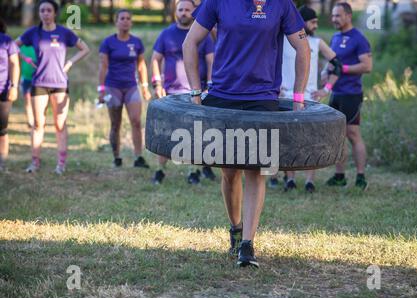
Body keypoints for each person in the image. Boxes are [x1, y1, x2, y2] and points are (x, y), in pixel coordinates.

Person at [183, 0, 310, 267]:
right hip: (222, 95)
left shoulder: (281, 4)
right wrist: (196, 91)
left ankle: (248, 244)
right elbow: (189, 43)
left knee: (256, 169)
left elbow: (303, 48)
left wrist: (298, 96)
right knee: (229, 172)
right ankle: (236, 227)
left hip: (262, 97)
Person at [271, 5, 341, 193]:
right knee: (285, 141)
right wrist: (272, 87)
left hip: (310, 99)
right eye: (313, 22)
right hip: (285, 98)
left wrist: (325, 89)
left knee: (311, 141)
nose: (316, 25)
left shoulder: (317, 43)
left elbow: (337, 65)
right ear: (301, 22)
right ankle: (289, 179)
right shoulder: (283, 40)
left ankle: (310, 181)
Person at [16, 0, 90, 175]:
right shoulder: (33, 33)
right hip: (39, 83)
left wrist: (70, 63)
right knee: (38, 124)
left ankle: (61, 164)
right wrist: (26, 60)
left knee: (59, 124)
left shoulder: (64, 32)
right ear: (39, 13)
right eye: (42, 10)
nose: (45, 13)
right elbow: (12, 45)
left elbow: (84, 49)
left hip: (60, 84)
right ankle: (35, 162)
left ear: (55, 13)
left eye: (49, 10)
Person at [150, 0, 215, 185]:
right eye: (181, 9)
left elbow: (211, 60)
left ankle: (193, 171)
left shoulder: (202, 35)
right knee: (164, 132)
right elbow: (155, 59)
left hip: (196, 93)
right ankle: (160, 170)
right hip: (170, 93)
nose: (184, 12)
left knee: (194, 134)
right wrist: (157, 84)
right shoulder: (166, 34)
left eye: (188, 9)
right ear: (175, 12)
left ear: (194, 12)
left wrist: (209, 86)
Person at [314, 2, 372, 190]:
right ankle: (339, 176)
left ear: (348, 16)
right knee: (338, 135)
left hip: (351, 94)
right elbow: (332, 62)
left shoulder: (359, 38)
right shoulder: (335, 38)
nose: (334, 19)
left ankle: (361, 176)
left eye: (338, 16)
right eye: (333, 16)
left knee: (353, 134)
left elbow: (367, 66)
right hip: (336, 92)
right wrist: (326, 71)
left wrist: (343, 69)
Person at [98, 9, 152, 169]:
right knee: (116, 123)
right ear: (116, 22)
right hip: (112, 87)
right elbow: (103, 67)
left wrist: (145, 86)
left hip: (131, 87)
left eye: (128, 18)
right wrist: (101, 90)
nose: (125, 21)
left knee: (136, 121)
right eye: (122, 18)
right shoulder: (108, 42)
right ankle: (117, 157)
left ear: (131, 22)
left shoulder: (136, 42)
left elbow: (141, 66)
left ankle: (138, 157)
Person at [0, 19, 20, 172]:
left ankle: (2, 163)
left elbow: (14, 64)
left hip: (3, 90)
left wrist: (14, 86)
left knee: (2, 129)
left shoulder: (6, 41)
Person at [19, 44, 37, 129]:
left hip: (37, 78)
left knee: (35, 100)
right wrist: (26, 58)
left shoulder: (38, 45)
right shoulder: (23, 46)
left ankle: (36, 118)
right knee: (27, 99)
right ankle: (30, 121)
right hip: (25, 77)